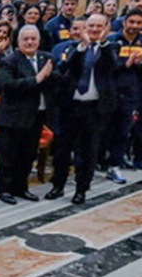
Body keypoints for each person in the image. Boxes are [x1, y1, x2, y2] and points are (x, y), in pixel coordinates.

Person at [47, 13, 121, 204]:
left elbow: (113, 67)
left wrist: (101, 43)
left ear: (106, 28)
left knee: (87, 152)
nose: (94, 30)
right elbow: (68, 67)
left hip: (94, 109)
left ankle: (81, 189)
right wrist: (83, 46)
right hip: (70, 106)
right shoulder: (74, 48)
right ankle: (58, 186)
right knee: (62, 149)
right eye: (91, 26)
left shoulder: (111, 48)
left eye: (99, 26)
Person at [0, 25, 56, 205]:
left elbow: (55, 80)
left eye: (33, 39)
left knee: (28, 155)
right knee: (9, 155)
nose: (30, 42)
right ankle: (5, 189)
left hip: (37, 115)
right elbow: (7, 86)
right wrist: (36, 79)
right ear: (18, 41)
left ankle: (21, 187)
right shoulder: (9, 61)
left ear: (39, 40)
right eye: (25, 39)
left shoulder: (47, 58)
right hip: (13, 117)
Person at [100, 8, 142, 182]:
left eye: (139, 23)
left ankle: (115, 165)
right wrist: (126, 64)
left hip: (131, 94)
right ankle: (99, 161)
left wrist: (141, 64)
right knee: (102, 130)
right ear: (124, 22)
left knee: (122, 132)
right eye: (131, 22)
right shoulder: (112, 41)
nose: (134, 25)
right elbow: (106, 68)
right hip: (110, 92)